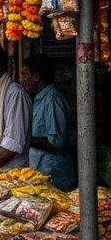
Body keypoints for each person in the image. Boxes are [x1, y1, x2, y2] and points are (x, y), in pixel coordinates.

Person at [20, 53, 76, 191]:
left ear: (36, 77)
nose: (22, 79)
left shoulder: (52, 100)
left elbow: (56, 141)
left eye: (24, 74)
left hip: (54, 172)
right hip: (42, 169)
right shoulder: (40, 98)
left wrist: (26, 140)